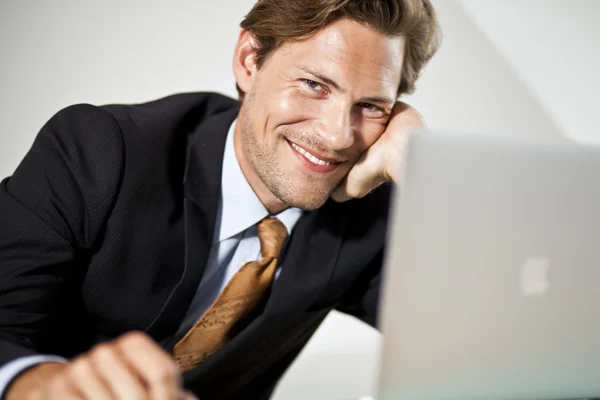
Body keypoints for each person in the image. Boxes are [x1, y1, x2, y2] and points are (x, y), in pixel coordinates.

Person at [0, 0, 441, 399]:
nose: (337, 135)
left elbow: (480, 335)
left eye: (370, 106)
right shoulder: (100, 151)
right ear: (249, 61)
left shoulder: (367, 218)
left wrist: (421, 167)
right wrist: (39, 385)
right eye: (313, 84)